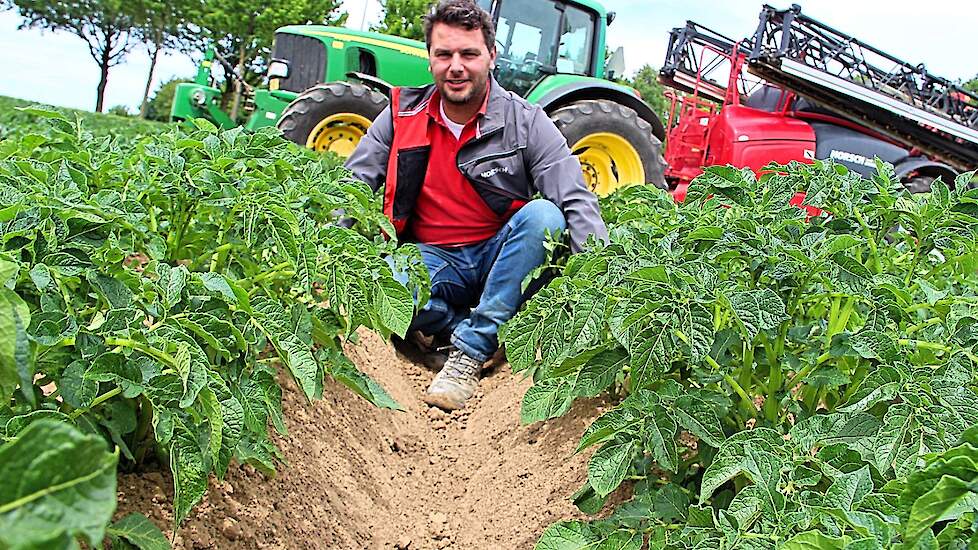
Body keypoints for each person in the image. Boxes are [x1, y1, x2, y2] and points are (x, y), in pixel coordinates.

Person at [345, 0, 608, 410]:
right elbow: (353, 187)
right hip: (431, 259)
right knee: (384, 280)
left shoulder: (526, 120)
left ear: (491, 56)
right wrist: (328, 253)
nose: (456, 66)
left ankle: (467, 352)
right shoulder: (399, 116)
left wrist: (603, 279)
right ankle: (463, 330)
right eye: (444, 54)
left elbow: (574, 195)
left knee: (545, 217)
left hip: (501, 258)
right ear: (429, 57)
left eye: (469, 54)